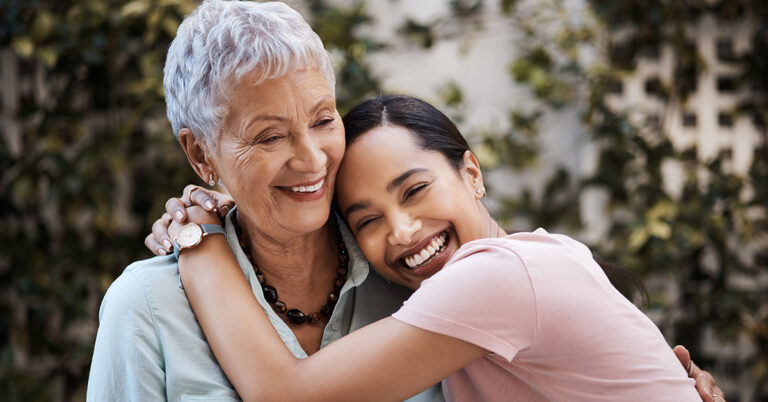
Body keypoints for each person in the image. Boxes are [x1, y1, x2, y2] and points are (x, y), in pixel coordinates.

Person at [156, 95, 726, 401]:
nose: (402, 231)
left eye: (415, 190)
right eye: (369, 220)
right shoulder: (532, 263)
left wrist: (199, 237)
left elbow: (284, 395)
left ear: (471, 172)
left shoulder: (499, 280)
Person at [86, 2, 439, 400]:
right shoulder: (146, 309)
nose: (312, 160)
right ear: (201, 154)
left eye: (323, 120)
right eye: (270, 137)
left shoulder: (409, 266)